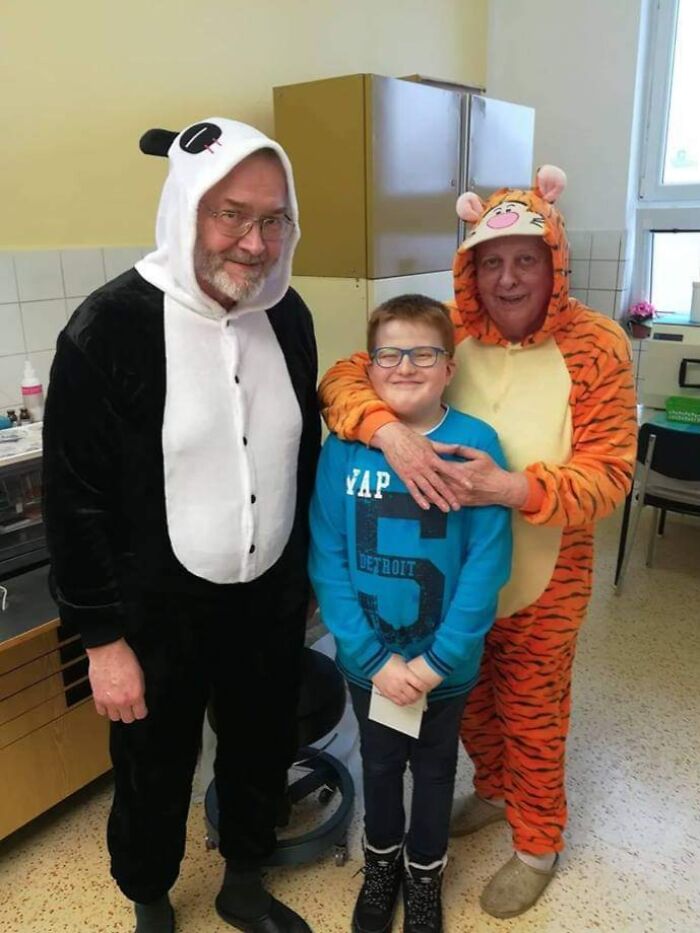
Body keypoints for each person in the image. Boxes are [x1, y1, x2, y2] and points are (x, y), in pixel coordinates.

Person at [317, 167, 638, 919]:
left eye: (527, 257)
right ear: (469, 270)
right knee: (475, 706)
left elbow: (611, 476)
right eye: (490, 261)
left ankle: (538, 840)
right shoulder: (453, 336)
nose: (509, 276)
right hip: (448, 575)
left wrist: (510, 488)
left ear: (555, 260)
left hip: (543, 576)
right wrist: (387, 431)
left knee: (533, 710)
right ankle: (493, 788)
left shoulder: (597, 346)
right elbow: (344, 377)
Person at [42, 118, 320, 933]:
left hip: (266, 597)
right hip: (152, 612)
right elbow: (73, 499)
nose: (255, 242)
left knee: (260, 751)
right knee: (152, 771)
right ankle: (151, 896)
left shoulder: (289, 316)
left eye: (273, 219)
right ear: (186, 207)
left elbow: (301, 457)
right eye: (231, 213)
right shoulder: (110, 328)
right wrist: (101, 641)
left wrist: (304, 582)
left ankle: (242, 880)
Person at [309, 295, 512, 933]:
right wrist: (371, 658)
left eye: (422, 353)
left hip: (443, 667)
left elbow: (486, 563)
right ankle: (381, 868)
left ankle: (425, 876)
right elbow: (327, 555)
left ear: (448, 367)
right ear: (366, 369)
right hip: (370, 663)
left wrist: (435, 662)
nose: (404, 366)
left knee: (433, 770)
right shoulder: (343, 449)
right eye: (388, 354)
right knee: (378, 764)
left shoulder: (476, 444)